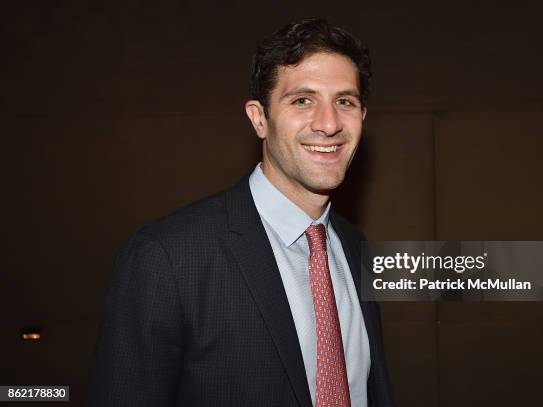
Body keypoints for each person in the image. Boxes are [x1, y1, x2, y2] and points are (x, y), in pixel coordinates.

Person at [88, 18, 393, 407]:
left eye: (344, 101)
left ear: (362, 118)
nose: (329, 123)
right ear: (259, 118)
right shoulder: (165, 258)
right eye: (303, 100)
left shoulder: (353, 245)